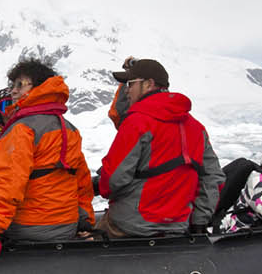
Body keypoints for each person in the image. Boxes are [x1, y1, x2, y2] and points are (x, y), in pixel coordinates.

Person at [0, 59, 93, 258]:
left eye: (20, 85)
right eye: (13, 85)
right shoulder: (68, 128)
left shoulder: (21, 129)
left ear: (39, 88)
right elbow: (82, 180)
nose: (13, 91)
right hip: (67, 226)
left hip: (29, 226)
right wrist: (85, 219)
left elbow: (10, 182)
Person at [95, 58, 223, 237]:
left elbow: (113, 180)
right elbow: (213, 178)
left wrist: (98, 185)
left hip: (130, 225)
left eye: (130, 84)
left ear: (148, 84)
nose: (127, 91)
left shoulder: (137, 123)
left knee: (87, 234)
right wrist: (199, 221)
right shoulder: (196, 128)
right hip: (178, 226)